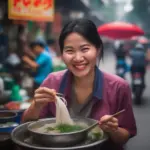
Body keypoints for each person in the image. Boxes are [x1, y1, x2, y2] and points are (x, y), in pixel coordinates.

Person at [22, 19, 136, 150]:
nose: (77, 58)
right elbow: (26, 126)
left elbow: (126, 135)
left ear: (97, 49)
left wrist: (113, 130)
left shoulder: (119, 87)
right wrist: (36, 106)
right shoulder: (52, 81)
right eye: (70, 51)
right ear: (62, 53)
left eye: (85, 49)